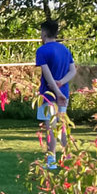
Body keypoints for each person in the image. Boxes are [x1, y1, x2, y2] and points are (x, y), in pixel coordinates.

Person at [35, 20, 76, 170]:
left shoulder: (42, 51)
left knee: (50, 128)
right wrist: (61, 83)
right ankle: (69, 158)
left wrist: (56, 91)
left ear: (44, 33)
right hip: (63, 94)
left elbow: (47, 76)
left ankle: (51, 161)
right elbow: (73, 71)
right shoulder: (65, 49)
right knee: (62, 127)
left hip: (49, 95)